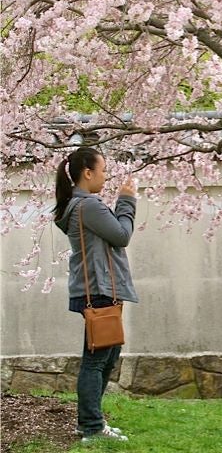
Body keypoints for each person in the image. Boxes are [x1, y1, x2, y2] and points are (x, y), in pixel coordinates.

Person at [54, 146, 138, 443]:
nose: (105, 176)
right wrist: (127, 201)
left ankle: (91, 421)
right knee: (96, 359)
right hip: (99, 290)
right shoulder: (88, 206)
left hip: (98, 288)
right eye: (102, 170)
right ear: (87, 173)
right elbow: (121, 235)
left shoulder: (81, 206)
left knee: (107, 355)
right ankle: (90, 426)